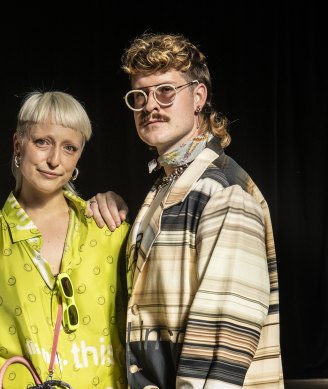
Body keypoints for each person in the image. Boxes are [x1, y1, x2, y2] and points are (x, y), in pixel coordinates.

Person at [91, 32, 284, 388]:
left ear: (198, 97)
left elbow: (220, 351)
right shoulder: (166, 186)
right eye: (140, 96)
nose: (150, 105)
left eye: (165, 91)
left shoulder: (223, 192)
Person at [0, 90, 131, 388]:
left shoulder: (110, 230)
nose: (54, 160)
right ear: (18, 144)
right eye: (42, 142)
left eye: (69, 147)